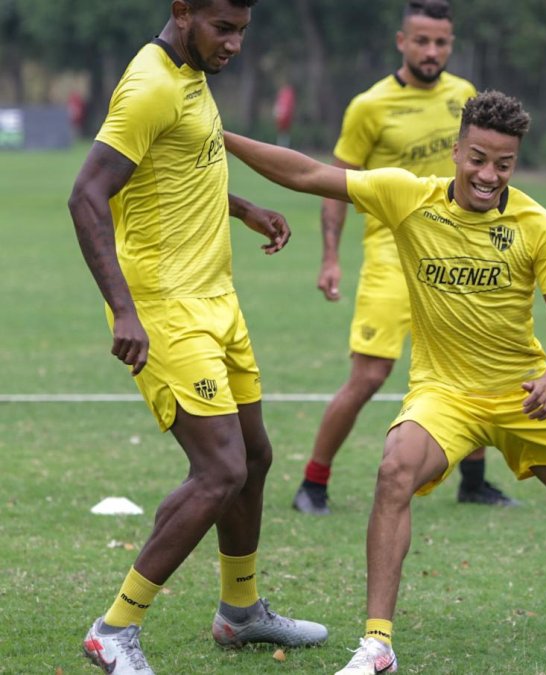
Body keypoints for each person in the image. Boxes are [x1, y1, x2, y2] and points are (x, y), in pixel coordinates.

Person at [223, 90, 546, 673]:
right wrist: (219, 136)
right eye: (478, 158)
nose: (488, 174)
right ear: (456, 151)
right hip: (443, 395)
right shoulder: (407, 196)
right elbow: (307, 171)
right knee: (394, 468)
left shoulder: (536, 224)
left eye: (504, 164)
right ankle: (377, 645)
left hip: (525, 397)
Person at [67, 1, 327, 672]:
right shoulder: (151, 84)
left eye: (243, 29)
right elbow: (87, 195)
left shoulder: (192, 72)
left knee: (256, 456)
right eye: (224, 28)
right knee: (220, 468)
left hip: (217, 299)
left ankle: (239, 611)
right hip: (164, 308)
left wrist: (241, 207)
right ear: (182, 11)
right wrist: (123, 310)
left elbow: (181, 167)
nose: (235, 44)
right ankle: (114, 628)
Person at [292, 0, 514, 516]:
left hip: (456, 257)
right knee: (369, 375)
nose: (431, 51)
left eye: (440, 42)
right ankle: (313, 482)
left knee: (474, 362)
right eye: (421, 41)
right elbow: (336, 184)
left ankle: (475, 482)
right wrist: (330, 256)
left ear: (450, 44)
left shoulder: (466, 97)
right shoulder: (369, 107)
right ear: (402, 42)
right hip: (391, 256)